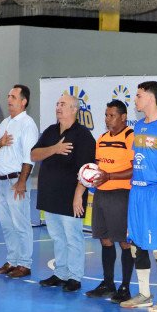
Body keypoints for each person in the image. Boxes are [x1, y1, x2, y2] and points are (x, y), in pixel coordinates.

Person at [119, 81, 157, 312]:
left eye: (139, 95)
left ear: (151, 98)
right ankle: (144, 293)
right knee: (136, 243)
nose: (135, 99)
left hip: (155, 192)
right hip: (137, 192)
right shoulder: (139, 126)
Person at [31, 93, 96, 291]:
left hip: (70, 196)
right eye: (57, 103)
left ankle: (74, 276)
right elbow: (34, 154)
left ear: (74, 109)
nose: (58, 107)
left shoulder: (83, 135)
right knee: (57, 237)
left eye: (63, 104)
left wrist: (78, 195)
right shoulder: (51, 131)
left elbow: (87, 170)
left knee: (73, 237)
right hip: (50, 194)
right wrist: (55, 149)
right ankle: (60, 273)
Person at [84, 99, 134, 303]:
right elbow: (98, 167)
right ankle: (108, 283)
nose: (107, 119)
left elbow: (136, 169)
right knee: (104, 239)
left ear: (123, 117)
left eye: (112, 115)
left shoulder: (131, 137)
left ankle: (125, 287)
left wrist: (110, 176)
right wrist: (88, 176)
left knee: (124, 241)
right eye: (106, 115)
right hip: (101, 194)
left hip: (121, 194)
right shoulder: (102, 138)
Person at [0, 85, 38, 278]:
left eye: (13, 97)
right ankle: (12, 260)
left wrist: (22, 182)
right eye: (8, 96)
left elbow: (29, 157)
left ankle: (25, 264)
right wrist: (0, 143)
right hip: (1, 181)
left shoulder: (27, 124)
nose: (9, 99)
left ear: (23, 101)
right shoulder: (5, 123)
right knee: (7, 225)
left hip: (16, 180)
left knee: (21, 224)